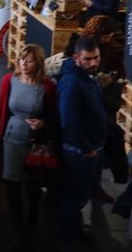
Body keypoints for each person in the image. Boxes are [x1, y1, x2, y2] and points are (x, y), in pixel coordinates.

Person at [0, 43, 57, 249]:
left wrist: (43, 123)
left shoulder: (46, 86)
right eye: (21, 59)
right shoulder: (8, 80)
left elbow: (54, 114)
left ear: (37, 63)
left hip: (34, 142)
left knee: (32, 187)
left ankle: (31, 223)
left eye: (28, 60)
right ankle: (19, 229)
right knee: (12, 184)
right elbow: (1, 112)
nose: (23, 63)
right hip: (12, 138)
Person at [56, 36, 106, 250]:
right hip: (79, 153)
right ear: (76, 57)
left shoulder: (87, 75)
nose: (93, 63)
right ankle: (64, 240)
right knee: (74, 198)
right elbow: (68, 122)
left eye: (96, 58)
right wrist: (87, 149)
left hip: (90, 149)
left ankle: (74, 232)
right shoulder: (72, 82)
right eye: (88, 59)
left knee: (80, 197)